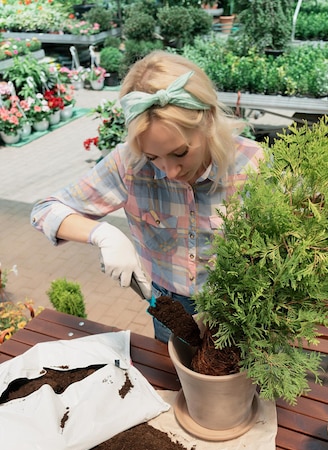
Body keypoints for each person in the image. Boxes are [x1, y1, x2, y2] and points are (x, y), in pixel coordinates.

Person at [31, 50, 264, 342]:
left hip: (243, 307)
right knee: (171, 379)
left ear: (208, 122)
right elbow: (45, 210)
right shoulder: (129, 164)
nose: (170, 170)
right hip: (171, 307)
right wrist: (103, 234)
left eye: (180, 152)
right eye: (154, 156)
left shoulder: (254, 164)